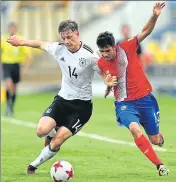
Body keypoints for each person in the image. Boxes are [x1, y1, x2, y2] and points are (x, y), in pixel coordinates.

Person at [7, 20, 117, 175]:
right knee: (41, 131)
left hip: (81, 108)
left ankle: (33, 166)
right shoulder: (59, 49)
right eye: (63, 38)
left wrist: (108, 83)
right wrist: (21, 42)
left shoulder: (90, 55)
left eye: (69, 37)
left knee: (58, 140)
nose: (66, 41)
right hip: (62, 101)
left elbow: (105, 73)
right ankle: (51, 132)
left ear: (77, 34)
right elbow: (40, 44)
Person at [96, 3, 169, 176]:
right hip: (124, 104)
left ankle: (158, 137)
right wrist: (107, 84)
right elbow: (108, 78)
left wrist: (155, 15)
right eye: (102, 51)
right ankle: (159, 165)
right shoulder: (101, 62)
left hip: (145, 99)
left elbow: (146, 31)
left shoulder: (127, 47)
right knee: (135, 129)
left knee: (155, 140)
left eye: (107, 50)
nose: (105, 54)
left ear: (114, 46)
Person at [1, 22, 31, 116]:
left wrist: (26, 67)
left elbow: (27, 53)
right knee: (8, 84)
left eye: (14, 28)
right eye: (11, 28)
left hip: (16, 65)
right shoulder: (3, 39)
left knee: (14, 88)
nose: (12, 30)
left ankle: (10, 107)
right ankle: (8, 105)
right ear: (9, 29)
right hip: (6, 64)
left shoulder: (20, 39)